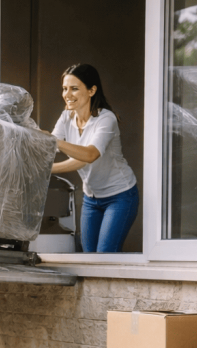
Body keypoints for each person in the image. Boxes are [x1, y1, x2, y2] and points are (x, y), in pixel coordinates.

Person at [50, 64, 138, 253]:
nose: (67, 94)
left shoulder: (106, 119)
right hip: (91, 198)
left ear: (91, 91)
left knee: (105, 256)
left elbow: (89, 155)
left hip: (120, 196)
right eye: (64, 89)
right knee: (89, 257)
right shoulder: (66, 117)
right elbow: (48, 148)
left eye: (74, 88)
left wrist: (51, 155)